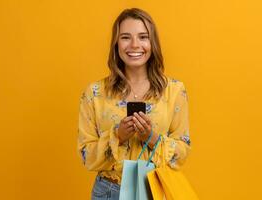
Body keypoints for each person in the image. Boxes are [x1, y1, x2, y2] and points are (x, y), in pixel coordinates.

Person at [78, 7, 191, 200]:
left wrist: (151, 136)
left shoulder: (174, 91)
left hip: (155, 189)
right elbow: (86, 156)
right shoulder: (94, 93)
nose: (134, 45)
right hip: (109, 191)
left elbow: (182, 153)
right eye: (125, 37)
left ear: (152, 43)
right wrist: (117, 136)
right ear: (116, 44)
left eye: (143, 37)